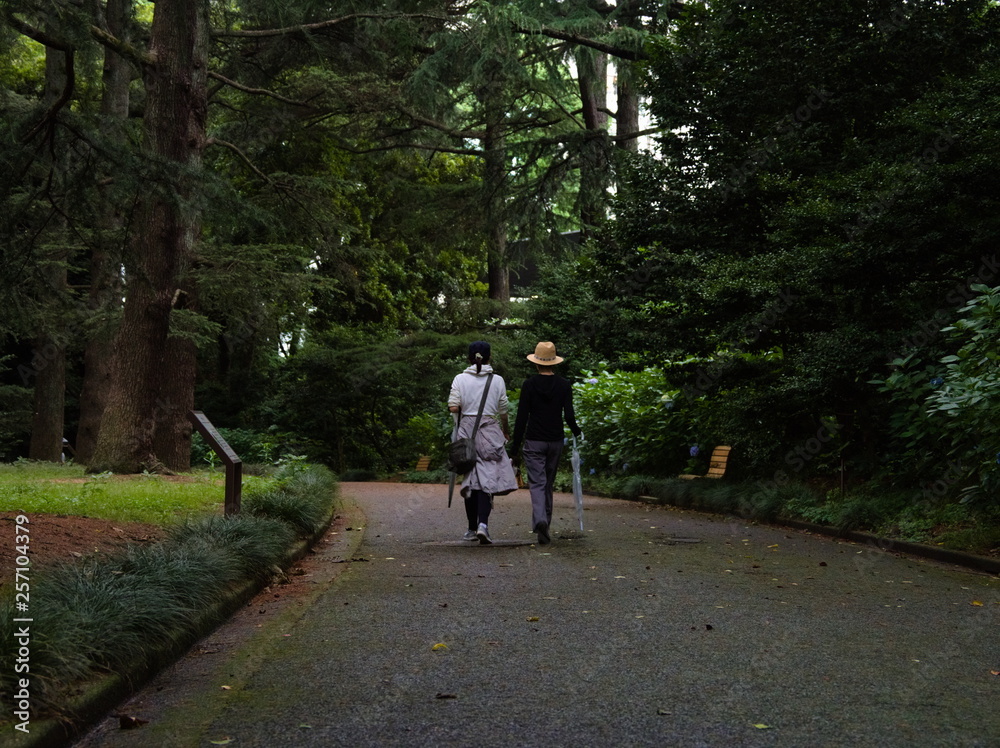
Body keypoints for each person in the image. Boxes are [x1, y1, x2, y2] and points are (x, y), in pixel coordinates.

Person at [509, 341, 582, 545]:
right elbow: (569, 416)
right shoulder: (564, 384)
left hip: (534, 441)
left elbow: (522, 417)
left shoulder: (529, 385)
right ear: (554, 363)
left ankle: (540, 519)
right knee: (548, 483)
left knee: (538, 484)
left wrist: (514, 447)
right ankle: (545, 524)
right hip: (555, 441)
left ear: (536, 363)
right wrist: (577, 432)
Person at [448, 341, 518, 544]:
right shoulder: (497, 380)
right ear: (489, 357)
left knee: (470, 479)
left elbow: (453, 407)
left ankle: (471, 528)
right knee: (487, 478)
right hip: (490, 432)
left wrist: (465, 408)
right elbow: (503, 410)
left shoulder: (460, 379)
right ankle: (483, 525)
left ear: (469, 358)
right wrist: (505, 431)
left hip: (466, 433)